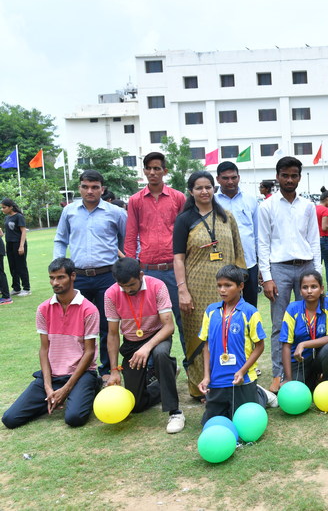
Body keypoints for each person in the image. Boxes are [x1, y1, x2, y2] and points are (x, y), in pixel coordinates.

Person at [2, 258, 101, 428]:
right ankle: (54, 397)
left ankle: (91, 386)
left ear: (73, 276)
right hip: (52, 376)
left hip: (81, 373)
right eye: (52, 278)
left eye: (60, 277)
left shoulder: (89, 309)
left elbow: (89, 352)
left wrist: (67, 388)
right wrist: (48, 387)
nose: (55, 283)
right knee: (10, 419)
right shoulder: (43, 309)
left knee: (74, 418)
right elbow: (44, 349)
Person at [174, 171, 246, 400]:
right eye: (199, 188)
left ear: (214, 189)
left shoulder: (227, 217)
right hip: (196, 289)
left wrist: (239, 285)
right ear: (191, 191)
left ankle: (229, 381)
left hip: (228, 290)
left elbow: (239, 253)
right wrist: (182, 290)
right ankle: (200, 387)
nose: (204, 191)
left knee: (229, 334)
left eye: (208, 187)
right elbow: (178, 258)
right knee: (200, 337)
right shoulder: (184, 220)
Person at [54, 169, 127, 378]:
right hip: (78, 277)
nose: (90, 191)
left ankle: (107, 370)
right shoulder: (69, 211)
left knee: (107, 325)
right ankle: (79, 371)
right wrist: (58, 266)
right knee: (77, 325)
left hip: (107, 276)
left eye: (95, 187)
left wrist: (127, 265)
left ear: (102, 189)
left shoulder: (116, 212)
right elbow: (60, 240)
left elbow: (127, 240)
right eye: (85, 187)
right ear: (79, 188)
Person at [258, 156, 322, 393]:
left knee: (311, 320)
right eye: (285, 175)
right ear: (277, 177)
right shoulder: (267, 206)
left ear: (299, 177)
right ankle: (278, 374)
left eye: (294, 175)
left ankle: (311, 370)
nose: (289, 180)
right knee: (279, 324)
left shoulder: (308, 206)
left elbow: (314, 240)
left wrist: (317, 273)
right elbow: (262, 243)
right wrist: (267, 277)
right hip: (279, 269)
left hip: (306, 267)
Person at [104, 258, 184, 433]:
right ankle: (167, 376)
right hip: (131, 343)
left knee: (160, 354)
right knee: (136, 404)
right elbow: (112, 334)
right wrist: (114, 370)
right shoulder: (111, 294)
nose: (128, 290)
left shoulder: (157, 286)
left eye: (131, 285)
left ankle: (175, 412)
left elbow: (169, 326)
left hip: (158, 336)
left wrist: (146, 348)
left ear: (141, 275)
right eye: (123, 286)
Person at [124, 152, 187, 362]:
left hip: (175, 269)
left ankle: (193, 370)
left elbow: (186, 232)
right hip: (148, 270)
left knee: (184, 320)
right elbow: (131, 235)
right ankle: (155, 369)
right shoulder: (135, 200)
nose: (152, 172)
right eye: (149, 168)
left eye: (157, 168)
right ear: (144, 171)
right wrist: (131, 268)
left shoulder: (178, 198)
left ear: (164, 171)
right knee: (151, 323)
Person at [198, 265, 275, 424]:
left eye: (228, 285)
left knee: (244, 423)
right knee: (210, 423)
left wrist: (242, 371)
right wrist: (206, 376)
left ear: (240, 286)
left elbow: (260, 346)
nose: (222, 290)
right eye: (219, 285)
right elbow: (206, 346)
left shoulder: (250, 311)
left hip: (242, 378)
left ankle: (260, 395)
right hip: (218, 379)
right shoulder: (211, 311)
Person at [280, 270, 328, 388]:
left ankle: (327, 386)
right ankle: (311, 380)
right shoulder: (292, 309)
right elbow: (286, 345)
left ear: (321, 289)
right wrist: (289, 379)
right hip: (300, 361)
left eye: (314, 287)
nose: (309, 291)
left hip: (320, 357)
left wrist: (303, 344)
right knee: (297, 392)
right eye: (305, 287)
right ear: (300, 291)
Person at [214, 161, 260, 306]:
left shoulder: (250, 200)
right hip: (222, 262)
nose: (230, 182)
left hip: (249, 262)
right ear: (218, 179)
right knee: (223, 306)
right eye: (225, 178)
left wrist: (261, 263)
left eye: (233, 177)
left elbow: (257, 234)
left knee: (250, 305)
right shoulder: (212, 201)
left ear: (239, 177)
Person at [1, 198, 30, 297]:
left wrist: (21, 246)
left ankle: (26, 288)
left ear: (10, 207)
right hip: (10, 244)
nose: (2, 209)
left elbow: (23, 231)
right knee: (12, 267)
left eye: (4, 207)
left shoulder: (19, 216)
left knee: (21, 266)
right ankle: (16, 288)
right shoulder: (7, 218)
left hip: (18, 243)